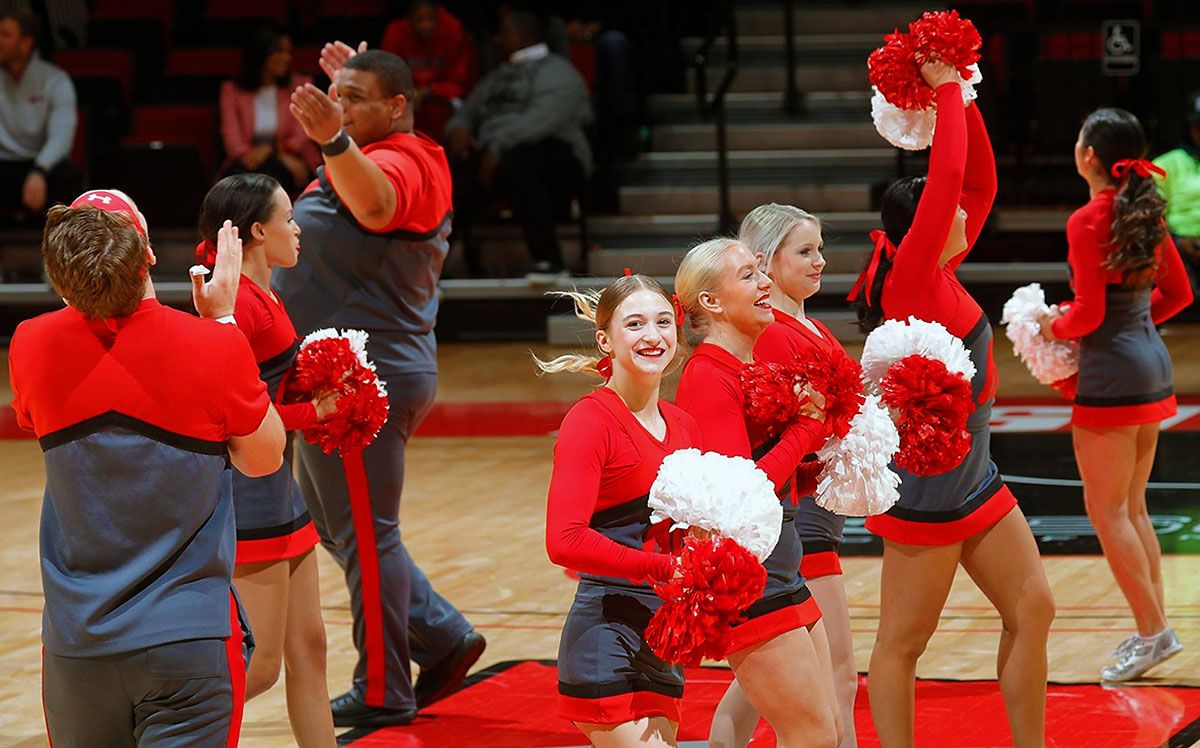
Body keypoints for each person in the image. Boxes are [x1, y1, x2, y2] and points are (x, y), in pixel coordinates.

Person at [8, 189, 285, 745]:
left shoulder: (29, 345)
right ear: (149, 257)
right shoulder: (213, 347)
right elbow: (264, 458)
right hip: (187, 639)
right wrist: (226, 322)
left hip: (76, 645)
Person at [275, 47, 484, 727]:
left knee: (368, 535)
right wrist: (348, 116)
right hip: (340, 374)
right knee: (345, 529)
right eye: (338, 95)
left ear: (397, 107)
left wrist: (335, 134)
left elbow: (376, 205)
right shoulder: (375, 148)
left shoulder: (407, 158)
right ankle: (443, 634)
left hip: (363, 378)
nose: (341, 108)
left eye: (357, 97)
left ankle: (383, 690)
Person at [848, 62, 1055, 748]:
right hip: (930, 492)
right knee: (904, 643)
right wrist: (939, 87)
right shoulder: (911, 283)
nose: (967, 210)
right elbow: (948, 181)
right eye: (950, 210)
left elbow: (979, 180)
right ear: (926, 227)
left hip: (979, 478)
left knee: (1034, 608)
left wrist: (964, 91)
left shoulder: (938, 272)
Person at [1039, 108, 1193, 682]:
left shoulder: (1087, 218)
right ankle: (1154, 624)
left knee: (1107, 513)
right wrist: (1135, 330)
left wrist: (1044, 324)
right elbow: (1177, 293)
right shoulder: (1145, 208)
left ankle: (1155, 633)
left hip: (1112, 376)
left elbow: (1088, 315)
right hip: (1150, 363)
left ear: (1088, 157)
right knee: (1132, 507)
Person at [674, 237, 842, 748]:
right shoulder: (707, 376)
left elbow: (774, 474)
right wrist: (807, 430)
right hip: (751, 575)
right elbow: (742, 495)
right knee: (813, 733)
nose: (766, 283)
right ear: (711, 302)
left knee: (824, 729)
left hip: (783, 565)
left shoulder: (748, 366)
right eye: (748, 276)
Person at [708, 203, 857, 748]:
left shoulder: (807, 324)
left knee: (753, 690)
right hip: (802, 513)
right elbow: (789, 430)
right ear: (768, 260)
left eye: (820, 248)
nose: (820, 260)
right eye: (806, 250)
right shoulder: (772, 335)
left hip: (813, 510)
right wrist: (823, 429)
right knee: (835, 680)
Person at [198, 173, 339, 746]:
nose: (297, 228)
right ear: (257, 231)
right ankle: (176, 732)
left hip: (283, 489)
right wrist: (318, 413)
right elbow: (236, 416)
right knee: (258, 666)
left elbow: (270, 396)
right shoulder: (238, 305)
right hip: (252, 494)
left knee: (311, 647)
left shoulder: (264, 294)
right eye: (286, 218)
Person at [539, 274, 701, 747]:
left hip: (664, 636)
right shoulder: (589, 421)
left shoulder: (685, 425)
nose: (653, 336)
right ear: (605, 339)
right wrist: (662, 567)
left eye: (663, 322)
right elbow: (563, 541)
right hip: (607, 636)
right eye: (635, 324)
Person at [445, 9, 592, 278]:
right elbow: (466, 111)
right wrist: (459, 128)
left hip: (556, 158)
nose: (497, 40)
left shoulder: (558, 71)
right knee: (454, 174)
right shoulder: (495, 77)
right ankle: (431, 266)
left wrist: (499, 148)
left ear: (524, 35)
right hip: (496, 158)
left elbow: (541, 120)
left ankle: (551, 261)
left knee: (517, 164)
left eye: (504, 33)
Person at [219, 27, 321, 194]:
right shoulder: (232, 90)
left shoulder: (301, 84)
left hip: (293, 157)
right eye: (279, 51)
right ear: (260, 54)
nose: (286, 58)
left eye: (289, 52)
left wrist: (271, 150)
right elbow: (232, 139)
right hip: (247, 159)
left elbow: (302, 133)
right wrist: (258, 153)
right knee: (239, 180)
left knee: (272, 176)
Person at [0, 7, 79, 216]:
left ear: (26, 43)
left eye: (5, 35)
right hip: (5, 162)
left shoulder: (55, 80)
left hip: (41, 162)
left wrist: (39, 169)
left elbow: (62, 135)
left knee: (67, 175)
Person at [380, 0, 476, 143]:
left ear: (438, 13)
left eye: (431, 19)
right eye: (420, 19)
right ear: (409, 17)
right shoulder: (396, 32)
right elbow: (386, 77)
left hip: (442, 104)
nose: (426, 25)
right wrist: (408, 93)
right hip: (405, 102)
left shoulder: (453, 29)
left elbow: (461, 81)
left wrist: (430, 91)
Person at [1152, 90, 1200, 292]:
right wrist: (1178, 241)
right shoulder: (1165, 164)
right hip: (1178, 247)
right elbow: (1152, 215)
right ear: (1190, 128)